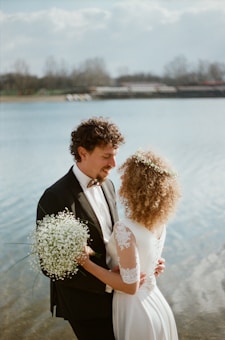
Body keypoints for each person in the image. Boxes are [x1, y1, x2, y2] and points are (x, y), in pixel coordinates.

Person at [36, 117, 165, 340]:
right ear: (83, 152)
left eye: (115, 155)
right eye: (106, 156)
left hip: (121, 297)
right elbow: (50, 267)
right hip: (86, 305)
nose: (114, 164)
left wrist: (142, 263)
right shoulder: (55, 197)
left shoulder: (108, 185)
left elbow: (113, 239)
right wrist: (109, 284)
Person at [79, 148, 181, 340]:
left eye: (127, 177)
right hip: (156, 302)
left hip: (136, 311)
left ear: (134, 185)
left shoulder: (125, 228)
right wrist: (152, 266)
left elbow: (130, 286)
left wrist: (87, 264)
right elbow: (146, 260)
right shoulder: (160, 223)